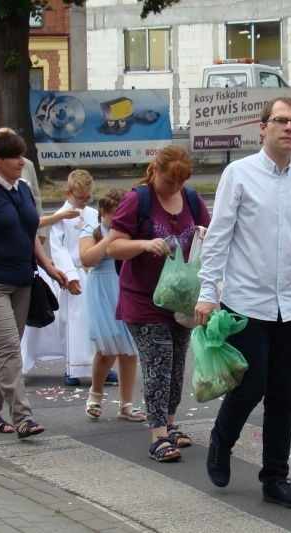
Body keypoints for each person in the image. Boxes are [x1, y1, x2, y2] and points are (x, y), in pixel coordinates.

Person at [195, 97, 291, 509]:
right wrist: (207, 293)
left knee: (282, 395)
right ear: (262, 127)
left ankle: (275, 479)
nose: (288, 128)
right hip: (245, 302)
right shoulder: (239, 174)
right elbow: (218, 238)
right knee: (250, 385)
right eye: (280, 121)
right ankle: (222, 441)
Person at [0, 131, 67, 438]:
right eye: (15, 157)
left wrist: (49, 266)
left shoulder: (21, 189)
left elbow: (28, 230)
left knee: (1, 349)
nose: (22, 161)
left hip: (22, 279)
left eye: (22, 156)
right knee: (8, 349)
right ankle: (23, 417)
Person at [107, 145, 211, 462]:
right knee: (158, 364)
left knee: (177, 365)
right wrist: (143, 243)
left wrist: (205, 235)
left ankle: (169, 423)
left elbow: (212, 236)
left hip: (181, 300)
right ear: (157, 171)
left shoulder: (192, 199)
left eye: (180, 183)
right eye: (169, 182)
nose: (174, 189)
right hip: (143, 299)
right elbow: (113, 246)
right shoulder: (138, 199)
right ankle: (158, 436)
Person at [79, 189, 144, 423]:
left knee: (129, 350)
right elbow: (87, 259)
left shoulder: (130, 228)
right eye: (114, 217)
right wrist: (110, 237)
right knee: (107, 349)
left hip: (127, 287)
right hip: (103, 289)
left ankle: (126, 404)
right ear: (103, 214)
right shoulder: (93, 230)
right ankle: (95, 395)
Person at [46, 170, 96, 385]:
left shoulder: (93, 214)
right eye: (79, 198)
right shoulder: (61, 217)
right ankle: (72, 368)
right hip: (74, 273)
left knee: (95, 321)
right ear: (68, 193)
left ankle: (98, 366)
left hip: (93, 273)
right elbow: (58, 249)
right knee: (73, 321)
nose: (84, 203)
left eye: (88, 198)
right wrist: (70, 276)